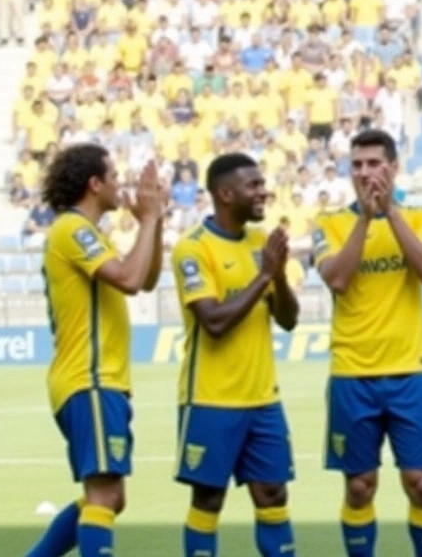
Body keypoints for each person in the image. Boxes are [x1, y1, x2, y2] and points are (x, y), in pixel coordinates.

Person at [312, 129, 422, 557]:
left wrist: (390, 213)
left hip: (411, 371)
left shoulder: (420, 217)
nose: (365, 172)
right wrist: (366, 219)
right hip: (353, 373)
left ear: (393, 167)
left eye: (374, 163)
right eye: (358, 165)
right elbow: (336, 278)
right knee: (359, 486)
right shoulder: (329, 223)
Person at [26, 144, 164, 557]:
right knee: (104, 497)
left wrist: (152, 224)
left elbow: (148, 277)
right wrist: (150, 218)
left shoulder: (85, 232)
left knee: (109, 498)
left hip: (102, 381)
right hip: (90, 379)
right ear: (95, 183)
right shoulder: (72, 229)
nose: (121, 184)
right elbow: (129, 278)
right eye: (115, 176)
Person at [171, 153, 300, 557]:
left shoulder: (262, 244)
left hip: (263, 399)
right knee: (209, 499)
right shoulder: (192, 249)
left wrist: (277, 275)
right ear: (225, 195)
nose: (264, 192)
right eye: (254, 186)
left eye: (263, 184)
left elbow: (289, 320)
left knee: (273, 494)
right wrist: (264, 275)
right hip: (211, 398)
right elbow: (213, 321)